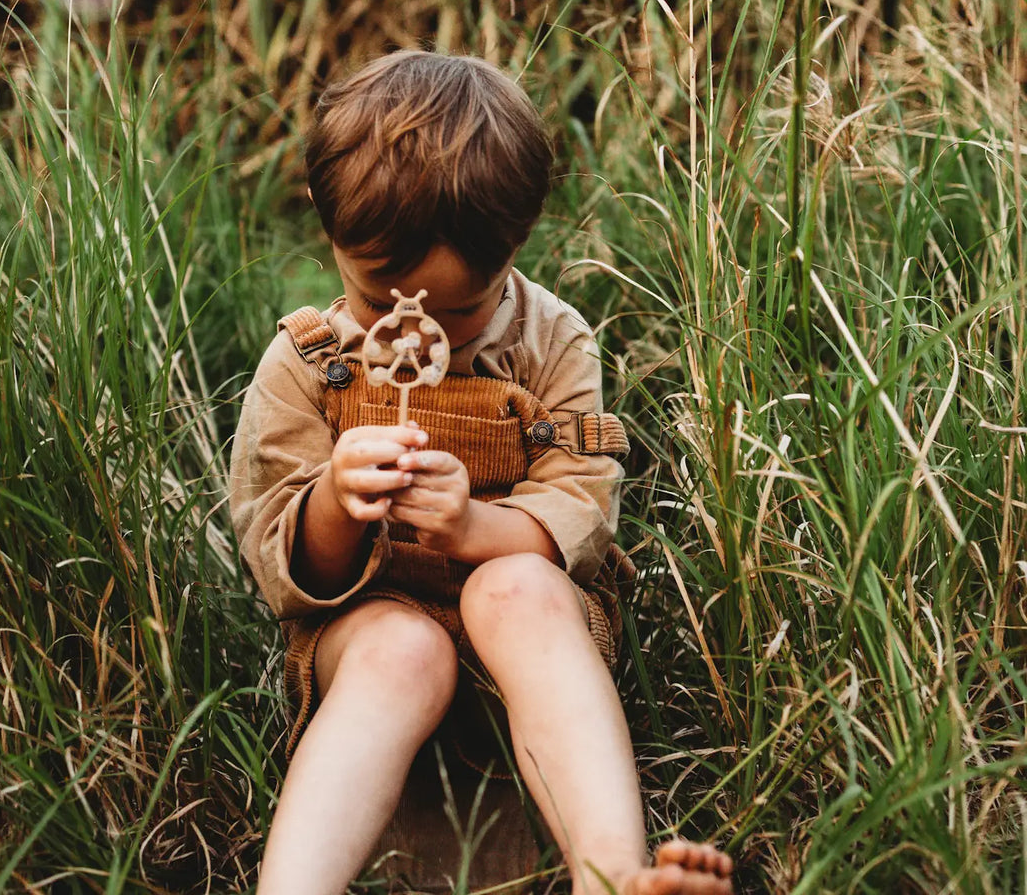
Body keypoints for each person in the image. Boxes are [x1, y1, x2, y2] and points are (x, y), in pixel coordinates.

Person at [229, 51, 734, 895]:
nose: (417, 331)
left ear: (517, 242)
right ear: (326, 225)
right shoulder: (310, 362)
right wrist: (335, 502)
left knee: (514, 590)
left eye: (459, 310)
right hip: (368, 628)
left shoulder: (553, 340)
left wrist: (476, 530)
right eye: (376, 297)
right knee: (402, 646)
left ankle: (610, 874)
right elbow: (284, 569)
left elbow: (581, 503)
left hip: (532, 633)